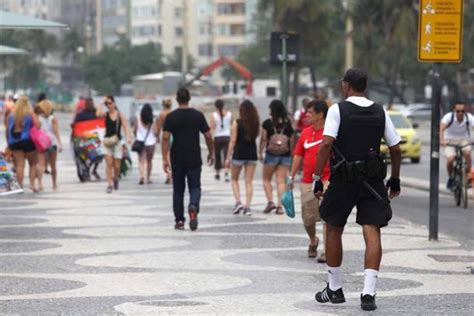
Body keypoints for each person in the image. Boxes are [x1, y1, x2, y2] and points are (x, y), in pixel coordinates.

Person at [312, 68, 401, 311]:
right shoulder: (379, 110)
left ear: (346, 86)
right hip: (372, 181)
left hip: (343, 179)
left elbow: (326, 144)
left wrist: (317, 177)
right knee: (372, 232)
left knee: (333, 228)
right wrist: (395, 179)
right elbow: (395, 147)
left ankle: (335, 288)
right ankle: (368, 293)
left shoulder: (337, 110)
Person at [161, 88, 214, 231]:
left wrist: (165, 158)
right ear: (189, 98)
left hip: (177, 158)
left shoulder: (171, 117)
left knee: (178, 190)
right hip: (194, 157)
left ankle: (179, 221)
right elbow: (208, 136)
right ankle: (193, 206)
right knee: (195, 187)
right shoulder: (198, 115)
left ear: (177, 99)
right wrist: (211, 152)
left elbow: (165, 137)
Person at [289, 100, 330, 263]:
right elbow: (298, 155)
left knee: (327, 216)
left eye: (310, 113)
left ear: (320, 114)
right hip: (307, 180)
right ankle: (313, 240)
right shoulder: (305, 133)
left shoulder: (331, 132)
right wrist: (291, 176)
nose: (307, 115)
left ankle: (327, 251)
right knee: (308, 217)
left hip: (327, 179)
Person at [259, 99, 295, 215]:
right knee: (281, 182)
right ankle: (280, 206)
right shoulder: (288, 123)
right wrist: (292, 153)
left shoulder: (267, 123)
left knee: (266, 179)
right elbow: (292, 140)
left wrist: (260, 152)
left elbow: (264, 139)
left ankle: (270, 202)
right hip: (285, 155)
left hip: (271, 155)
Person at [225, 100, 260, 216]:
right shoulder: (255, 122)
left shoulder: (237, 122)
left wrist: (228, 156)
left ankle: (238, 201)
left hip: (239, 153)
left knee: (234, 179)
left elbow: (233, 140)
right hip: (252, 154)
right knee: (248, 181)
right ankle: (248, 206)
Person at [97, 95, 132, 193]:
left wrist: (128, 137)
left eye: (110, 103)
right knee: (109, 164)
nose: (108, 105)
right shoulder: (106, 114)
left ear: (114, 103)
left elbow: (125, 126)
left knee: (117, 166)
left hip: (117, 143)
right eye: (107, 104)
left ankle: (115, 178)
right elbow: (98, 114)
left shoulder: (119, 115)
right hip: (107, 142)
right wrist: (101, 103)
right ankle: (109, 185)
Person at [6, 96, 40, 191]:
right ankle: (32, 185)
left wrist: (9, 143)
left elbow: (8, 130)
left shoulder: (11, 115)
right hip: (27, 141)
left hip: (14, 141)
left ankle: (20, 186)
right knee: (33, 164)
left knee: (20, 165)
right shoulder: (30, 114)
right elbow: (38, 126)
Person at [440, 101, 473, 188]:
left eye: (462, 111)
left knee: (467, 153)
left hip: (464, 140)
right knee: (451, 159)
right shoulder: (448, 117)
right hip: (449, 140)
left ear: (465, 111)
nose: (460, 113)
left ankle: (469, 175)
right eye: (458, 111)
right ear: (454, 111)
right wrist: (442, 140)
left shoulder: (468, 117)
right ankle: (451, 178)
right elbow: (441, 128)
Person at [35, 100, 62, 191]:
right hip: (52, 143)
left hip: (41, 143)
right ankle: (54, 185)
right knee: (53, 165)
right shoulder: (53, 118)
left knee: (41, 164)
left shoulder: (38, 118)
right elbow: (56, 131)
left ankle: (40, 184)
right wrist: (60, 144)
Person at [74, 97, 101, 180]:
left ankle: (91, 170)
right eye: (89, 103)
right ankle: (88, 169)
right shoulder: (82, 114)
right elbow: (76, 124)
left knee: (99, 153)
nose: (90, 105)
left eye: (91, 103)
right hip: (86, 138)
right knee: (82, 153)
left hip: (92, 138)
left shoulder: (95, 113)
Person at [135, 103, 157, 185]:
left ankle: (141, 176)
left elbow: (135, 129)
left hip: (141, 142)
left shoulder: (138, 118)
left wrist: (137, 135)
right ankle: (148, 178)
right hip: (151, 143)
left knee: (141, 161)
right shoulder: (153, 120)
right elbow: (155, 132)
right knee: (149, 161)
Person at [210, 99, 231, 182]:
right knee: (227, 156)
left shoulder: (214, 115)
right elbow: (232, 126)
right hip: (227, 137)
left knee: (217, 156)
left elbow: (211, 127)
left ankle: (218, 173)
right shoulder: (229, 114)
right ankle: (226, 173)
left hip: (217, 137)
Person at [156, 98, 173, 184]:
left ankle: (169, 175)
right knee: (174, 155)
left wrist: (157, 137)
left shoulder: (161, 114)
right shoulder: (174, 113)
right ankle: (172, 173)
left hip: (166, 135)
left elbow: (158, 127)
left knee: (167, 155)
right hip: (175, 135)